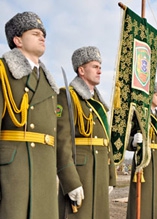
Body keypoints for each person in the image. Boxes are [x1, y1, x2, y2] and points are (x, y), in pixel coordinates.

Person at [0, 12, 59, 218]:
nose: (42, 37)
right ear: (18, 40)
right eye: (35, 33)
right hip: (15, 172)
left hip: (46, 172)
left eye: (43, 34)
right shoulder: (3, 71)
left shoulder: (49, 83)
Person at [57, 46, 116, 218]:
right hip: (81, 174)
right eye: (95, 66)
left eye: (100, 66)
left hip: (100, 173)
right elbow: (62, 143)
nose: (100, 70)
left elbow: (107, 142)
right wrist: (70, 182)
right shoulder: (67, 96)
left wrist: (111, 176)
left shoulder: (99, 104)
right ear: (81, 70)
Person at [126, 82, 157, 219]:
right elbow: (124, 139)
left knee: (156, 202)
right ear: (149, 95)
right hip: (144, 164)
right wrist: (133, 141)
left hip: (156, 164)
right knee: (143, 204)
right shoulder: (139, 113)